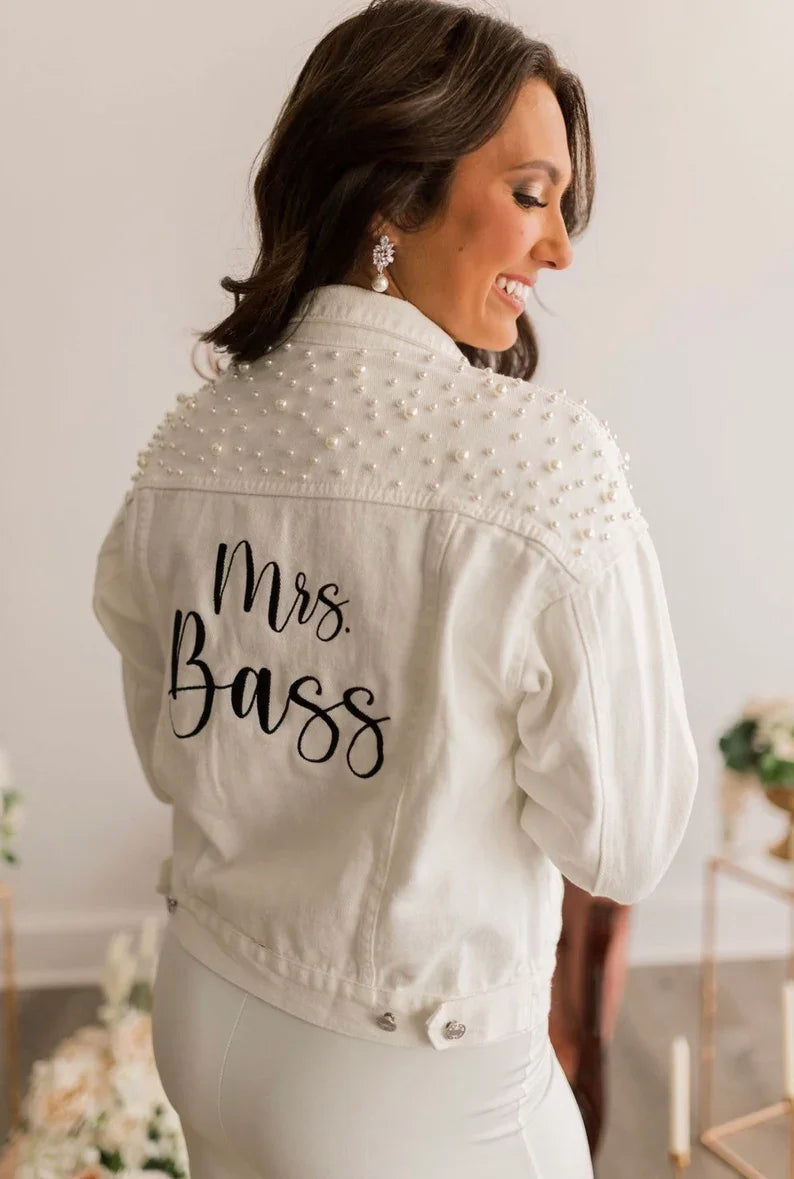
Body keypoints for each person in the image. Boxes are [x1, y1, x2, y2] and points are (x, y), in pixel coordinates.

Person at [91, 1, 699, 1175]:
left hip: (207, 1007)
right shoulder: (538, 460)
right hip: (410, 1079)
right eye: (529, 194)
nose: (559, 249)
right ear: (392, 195)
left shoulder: (193, 441)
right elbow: (620, 843)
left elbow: (175, 750)